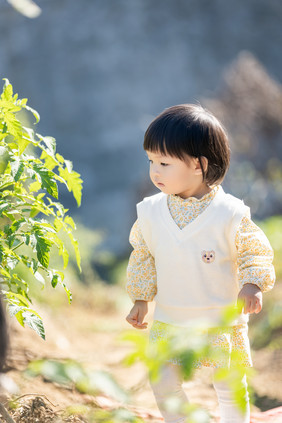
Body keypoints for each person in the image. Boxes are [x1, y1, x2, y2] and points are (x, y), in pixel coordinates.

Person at [125, 104, 275, 423]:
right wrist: (141, 298)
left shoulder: (229, 213)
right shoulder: (150, 213)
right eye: (151, 161)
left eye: (164, 162)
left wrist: (252, 284)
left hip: (219, 318)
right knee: (163, 382)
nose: (155, 171)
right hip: (170, 320)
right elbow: (143, 255)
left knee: (229, 383)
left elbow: (254, 250)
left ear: (199, 164)